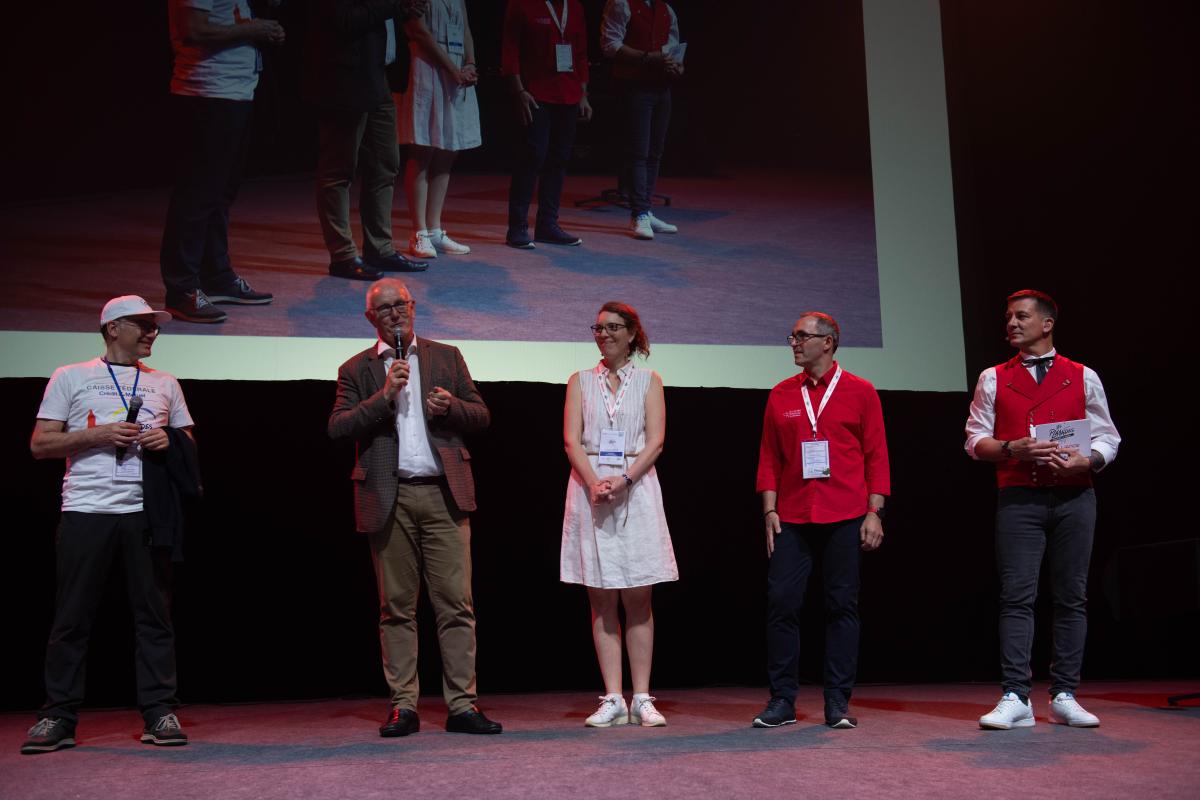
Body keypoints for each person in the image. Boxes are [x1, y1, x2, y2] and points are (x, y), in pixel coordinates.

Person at [22, 296, 197, 754]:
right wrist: (98, 434)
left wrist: (168, 439)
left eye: (155, 327)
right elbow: (40, 444)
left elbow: (188, 441)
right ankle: (57, 716)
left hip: (147, 513)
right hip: (86, 509)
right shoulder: (70, 376)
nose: (152, 333)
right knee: (72, 617)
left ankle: (159, 711)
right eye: (143, 325)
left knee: (154, 617)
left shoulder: (165, 383)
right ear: (113, 328)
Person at [327, 278, 501, 736]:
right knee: (397, 608)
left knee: (456, 605)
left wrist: (452, 407)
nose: (394, 314)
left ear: (413, 307)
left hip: (444, 494)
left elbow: (481, 415)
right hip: (390, 497)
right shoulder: (356, 368)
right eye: (384, 309)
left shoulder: (447, 357)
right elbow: (338, 427)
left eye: (400, 305)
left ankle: (462, 705)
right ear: (371, 318)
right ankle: (403, 706)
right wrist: (383, 397)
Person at [965, 289, 1120, 730]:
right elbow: (975, 440)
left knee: (1071, 596)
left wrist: (1089, 460)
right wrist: (1011, 448)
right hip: (1019, 498)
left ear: (1047, 324)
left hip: (1075, 497)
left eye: (1021, 316)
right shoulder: (993, 377)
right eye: (1008, 317)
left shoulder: (1083, 375)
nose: (1011, 324)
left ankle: (1065, 694)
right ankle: (1016, 695)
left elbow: (1108, 436)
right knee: (1017, 597)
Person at [754, 312, 889, 730]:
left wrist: (874, 512)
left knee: (842, 606)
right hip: (792, 515)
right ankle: (782, 700)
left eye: (801, 336)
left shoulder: (861, 391)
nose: (794, 343)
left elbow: (876, 456)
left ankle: (837, 701)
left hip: (846, 513)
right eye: (792, 336)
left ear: (827, 342)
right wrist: (769, 511)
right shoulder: (781, 393)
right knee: (782, 603)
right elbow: (769, 457)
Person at [561, 302, 678, 727]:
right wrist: (594, 481)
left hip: (636, 488)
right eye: (598, 328)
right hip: (589, 488)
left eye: (613, 327)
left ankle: (642, 696)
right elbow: (572, 440)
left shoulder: (649, 381)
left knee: (639, 595)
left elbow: (656, 440)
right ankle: (613, 697)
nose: (604, 334)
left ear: (632, 333)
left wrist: (625, 479)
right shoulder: (579, 381)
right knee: (600, 595)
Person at [161, 0, 282, 323]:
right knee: (197, 195)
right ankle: (182, 289)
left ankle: (216, 275)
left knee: (220, 193)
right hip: (207, 92)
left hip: (234, 91)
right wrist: (254, 28)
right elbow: (193, 28)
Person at [305, 0, 430, 281]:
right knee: (338, 170)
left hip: (377, 77)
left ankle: (380, 248)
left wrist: (403, 10)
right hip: (345, 79)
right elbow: (343, 19)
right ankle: (343, 255)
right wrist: (396, 4)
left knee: (385, 165)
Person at [501, 0, 593, 249]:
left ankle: (547, 225)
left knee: (559, 160)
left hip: (569, 93)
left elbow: (581, 52)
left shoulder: (574, 7)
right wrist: (518, 90)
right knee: (532, 157)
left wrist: (583, 94)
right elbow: (510, 49)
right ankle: (517, 227)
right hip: (536, 93)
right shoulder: (522, 4)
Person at [395, 0, 481, 259]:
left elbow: (465, 28)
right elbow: (419, 31)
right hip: (427, 67)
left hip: (456, 69)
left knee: (448, 150)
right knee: (423, 149)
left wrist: (470, 63)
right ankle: (419, 232)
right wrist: (452, 69)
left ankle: (434, 230)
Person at [600, 0, 683, 240]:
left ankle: (645, 208)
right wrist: (647, 58)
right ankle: (639, 214)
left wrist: (677, 66)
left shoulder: (666, 9)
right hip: (635, 87)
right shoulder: (621, 3)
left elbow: (673, 48)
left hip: (661, 88)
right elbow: (609, 44)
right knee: (639, 152)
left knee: (655, 152)